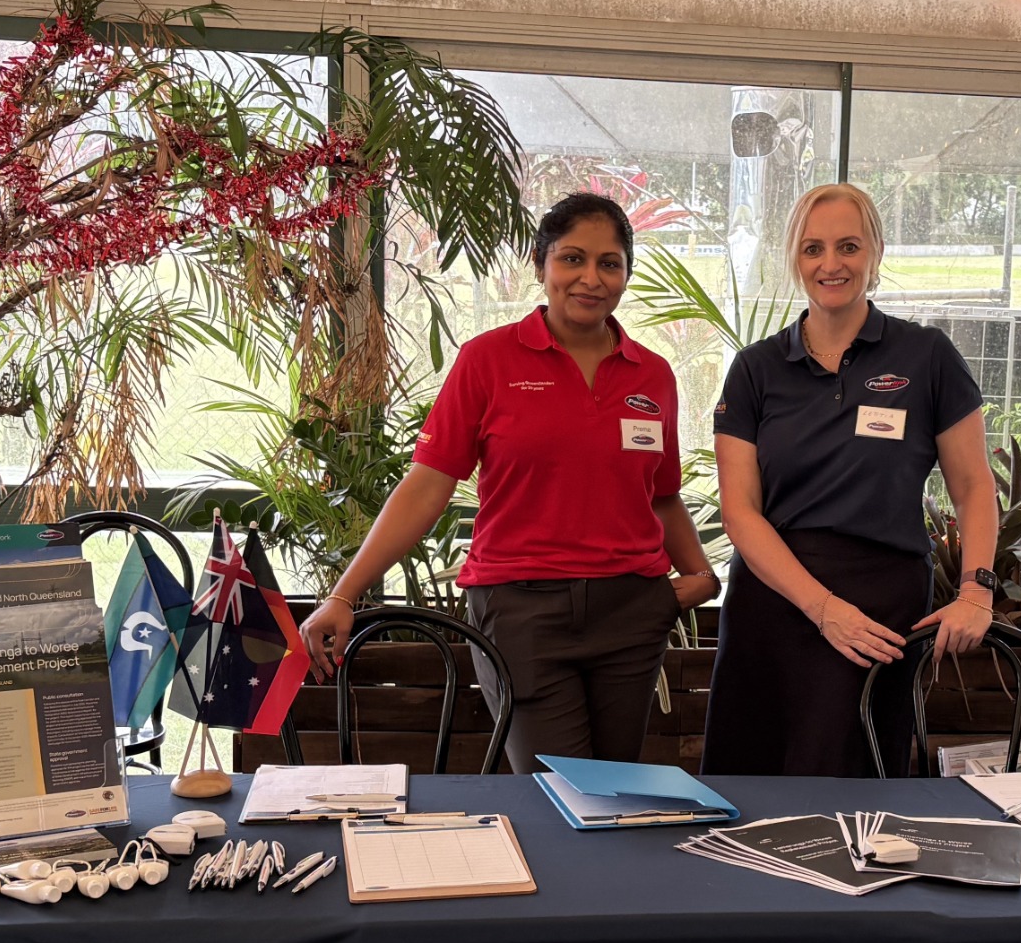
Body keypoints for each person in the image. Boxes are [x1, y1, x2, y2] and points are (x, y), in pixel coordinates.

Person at [299, 193, 720, 772]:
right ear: (541, 264)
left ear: (626, 273)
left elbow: (662, 494)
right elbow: (426, 486)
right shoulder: (488, 360)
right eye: (572, 259)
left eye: (609, 263)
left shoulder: (652, 374)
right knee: (556, 785)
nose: (591, 278)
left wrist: (699, 576)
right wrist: (343, 595)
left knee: (616, 788)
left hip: (631, 611)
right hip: (523, 612)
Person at [701, 182, 1002, 776]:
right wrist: (821, 607)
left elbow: (973, 487)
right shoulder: (756, 369)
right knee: (752, 784)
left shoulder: (927, 356)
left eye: (848, 246)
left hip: (879, 606)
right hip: (774, 599)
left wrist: (977, 593)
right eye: (812, 248)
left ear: (875, 252)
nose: (830, 264)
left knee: (853, 787)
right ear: (794, 258)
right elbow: (739, 511)